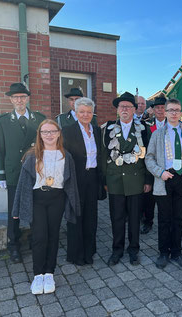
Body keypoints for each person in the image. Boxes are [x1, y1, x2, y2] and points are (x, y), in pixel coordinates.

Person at [12, 119, 80, 294]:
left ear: (58, 133)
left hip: (56, 199)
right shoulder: (32, 156)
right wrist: (16, 209)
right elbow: (22, 184)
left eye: (52, 131)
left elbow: (71, 184)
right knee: (39, 236)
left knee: (53, 235)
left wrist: (74, 205)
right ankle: (38, 275)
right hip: (37, 199)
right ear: (40, 135)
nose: (49, 135)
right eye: (45, 132)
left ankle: (49, 273)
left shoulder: (66, 155)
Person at [145, 98, 182, 269]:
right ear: (165, 112)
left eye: (177, 110)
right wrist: (160, 172)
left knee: (179, 218)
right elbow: (149, 157)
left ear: (180, 112)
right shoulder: (157, 134)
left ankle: (176, 252)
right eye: (170, 110)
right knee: (164, 219)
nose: (174, 113)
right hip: (165, 178)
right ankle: (163, 252)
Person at [0, 82, 46, 263]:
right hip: (14, 172)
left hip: (34, 171)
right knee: (14, 211)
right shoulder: (2, 121)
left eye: (22, 97)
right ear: (10, 99)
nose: (19, 100)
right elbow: (0, 149)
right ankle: (14, 244)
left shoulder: (39, 118)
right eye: (16, 97)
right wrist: (1, 175)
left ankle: (35, 239)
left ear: (27, 98)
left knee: (35, 208)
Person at [101, 92, 152, 266]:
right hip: (114, 180)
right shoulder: (107, 128)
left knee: (135, 218)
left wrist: (147, 181)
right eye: (121, 106)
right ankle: (117, 250)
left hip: (136, 180)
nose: (124, 109)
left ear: (133, 110)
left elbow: (148, 156)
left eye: (128, 107)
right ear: (117, 109)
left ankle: (133, 250)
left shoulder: (143, 129)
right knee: (116, 218)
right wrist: (104, 181)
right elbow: (103, 155)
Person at [62, 97, 104, 265]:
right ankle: (76, 254)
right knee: (76, 215)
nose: (86, 115)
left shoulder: (97, 130)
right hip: (75, 178)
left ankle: (89, 251)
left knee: (91, 216)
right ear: (76, 113)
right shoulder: (67, 130)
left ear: (93, 113)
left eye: (89, 112)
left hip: (92, 178)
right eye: (82, 112)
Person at [141, 95, 167, 234]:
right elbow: (144, 148)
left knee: (165, 198)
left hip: (167, 168)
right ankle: (148, 221)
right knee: (149, 198)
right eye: (157, 108)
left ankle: (165, 221)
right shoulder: (147, 125)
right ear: (154, 109)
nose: (160, 110)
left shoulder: (174, 124)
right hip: (151, 167)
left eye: (163, 107)